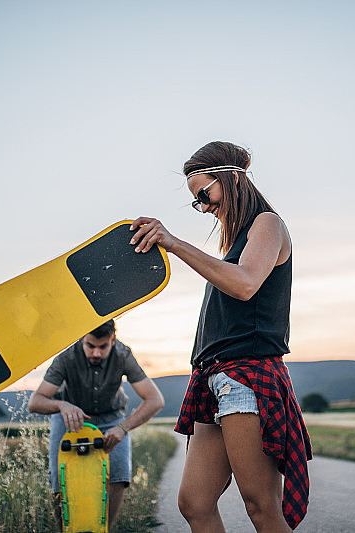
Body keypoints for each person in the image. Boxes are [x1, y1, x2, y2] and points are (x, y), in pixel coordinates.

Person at [129, 141, 312, 532]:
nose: (203, 206)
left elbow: (245, 285)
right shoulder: (231, 243)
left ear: (230, 180)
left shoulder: (267, 224)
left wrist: (175, 244)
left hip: (247, 377)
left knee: (261, 506)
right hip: (213, 378)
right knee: (194, 503)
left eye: (203, 194)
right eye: (197, 201)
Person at [27, 319, 164, 531]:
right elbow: (35, 402)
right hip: (70, 419)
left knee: (118, 476)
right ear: (82, 338)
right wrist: (62, 405)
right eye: (90, 346)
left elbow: (155, 400)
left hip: (112, 417)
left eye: (103, 347)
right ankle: (68, 529)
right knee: (60, 479)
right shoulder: (65, 357)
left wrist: (123, 428)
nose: (96, 353)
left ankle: (102, 529)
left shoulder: (123, 354)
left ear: (113, 340)